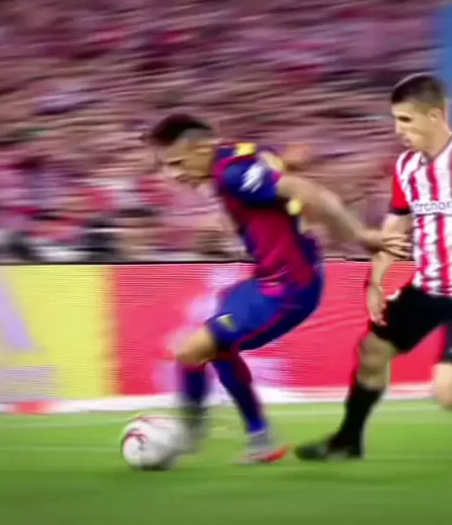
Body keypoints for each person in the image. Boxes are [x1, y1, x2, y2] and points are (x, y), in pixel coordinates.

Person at [146, 113, 409, 464]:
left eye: (177, 163)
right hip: (267, 280)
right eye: (166, 166)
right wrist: (286, 164)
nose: (172, 175)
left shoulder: (232, 174)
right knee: (219, 348)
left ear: (203, 148)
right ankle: (260, 438)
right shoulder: (236, 156)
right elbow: (270, 168)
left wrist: (361, 236)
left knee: (190, 352)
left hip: (286, 289)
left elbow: (307, 192)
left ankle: (190, 434)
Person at [295, 73, 452, 463]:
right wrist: (376, 282)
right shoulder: (407, 168)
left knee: (451, 393)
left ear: (435, 116)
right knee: (372, 351)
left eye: (406, 120)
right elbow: (395, 229)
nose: (398, 130)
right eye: (395, 120)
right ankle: (347, 441)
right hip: (429, 287)